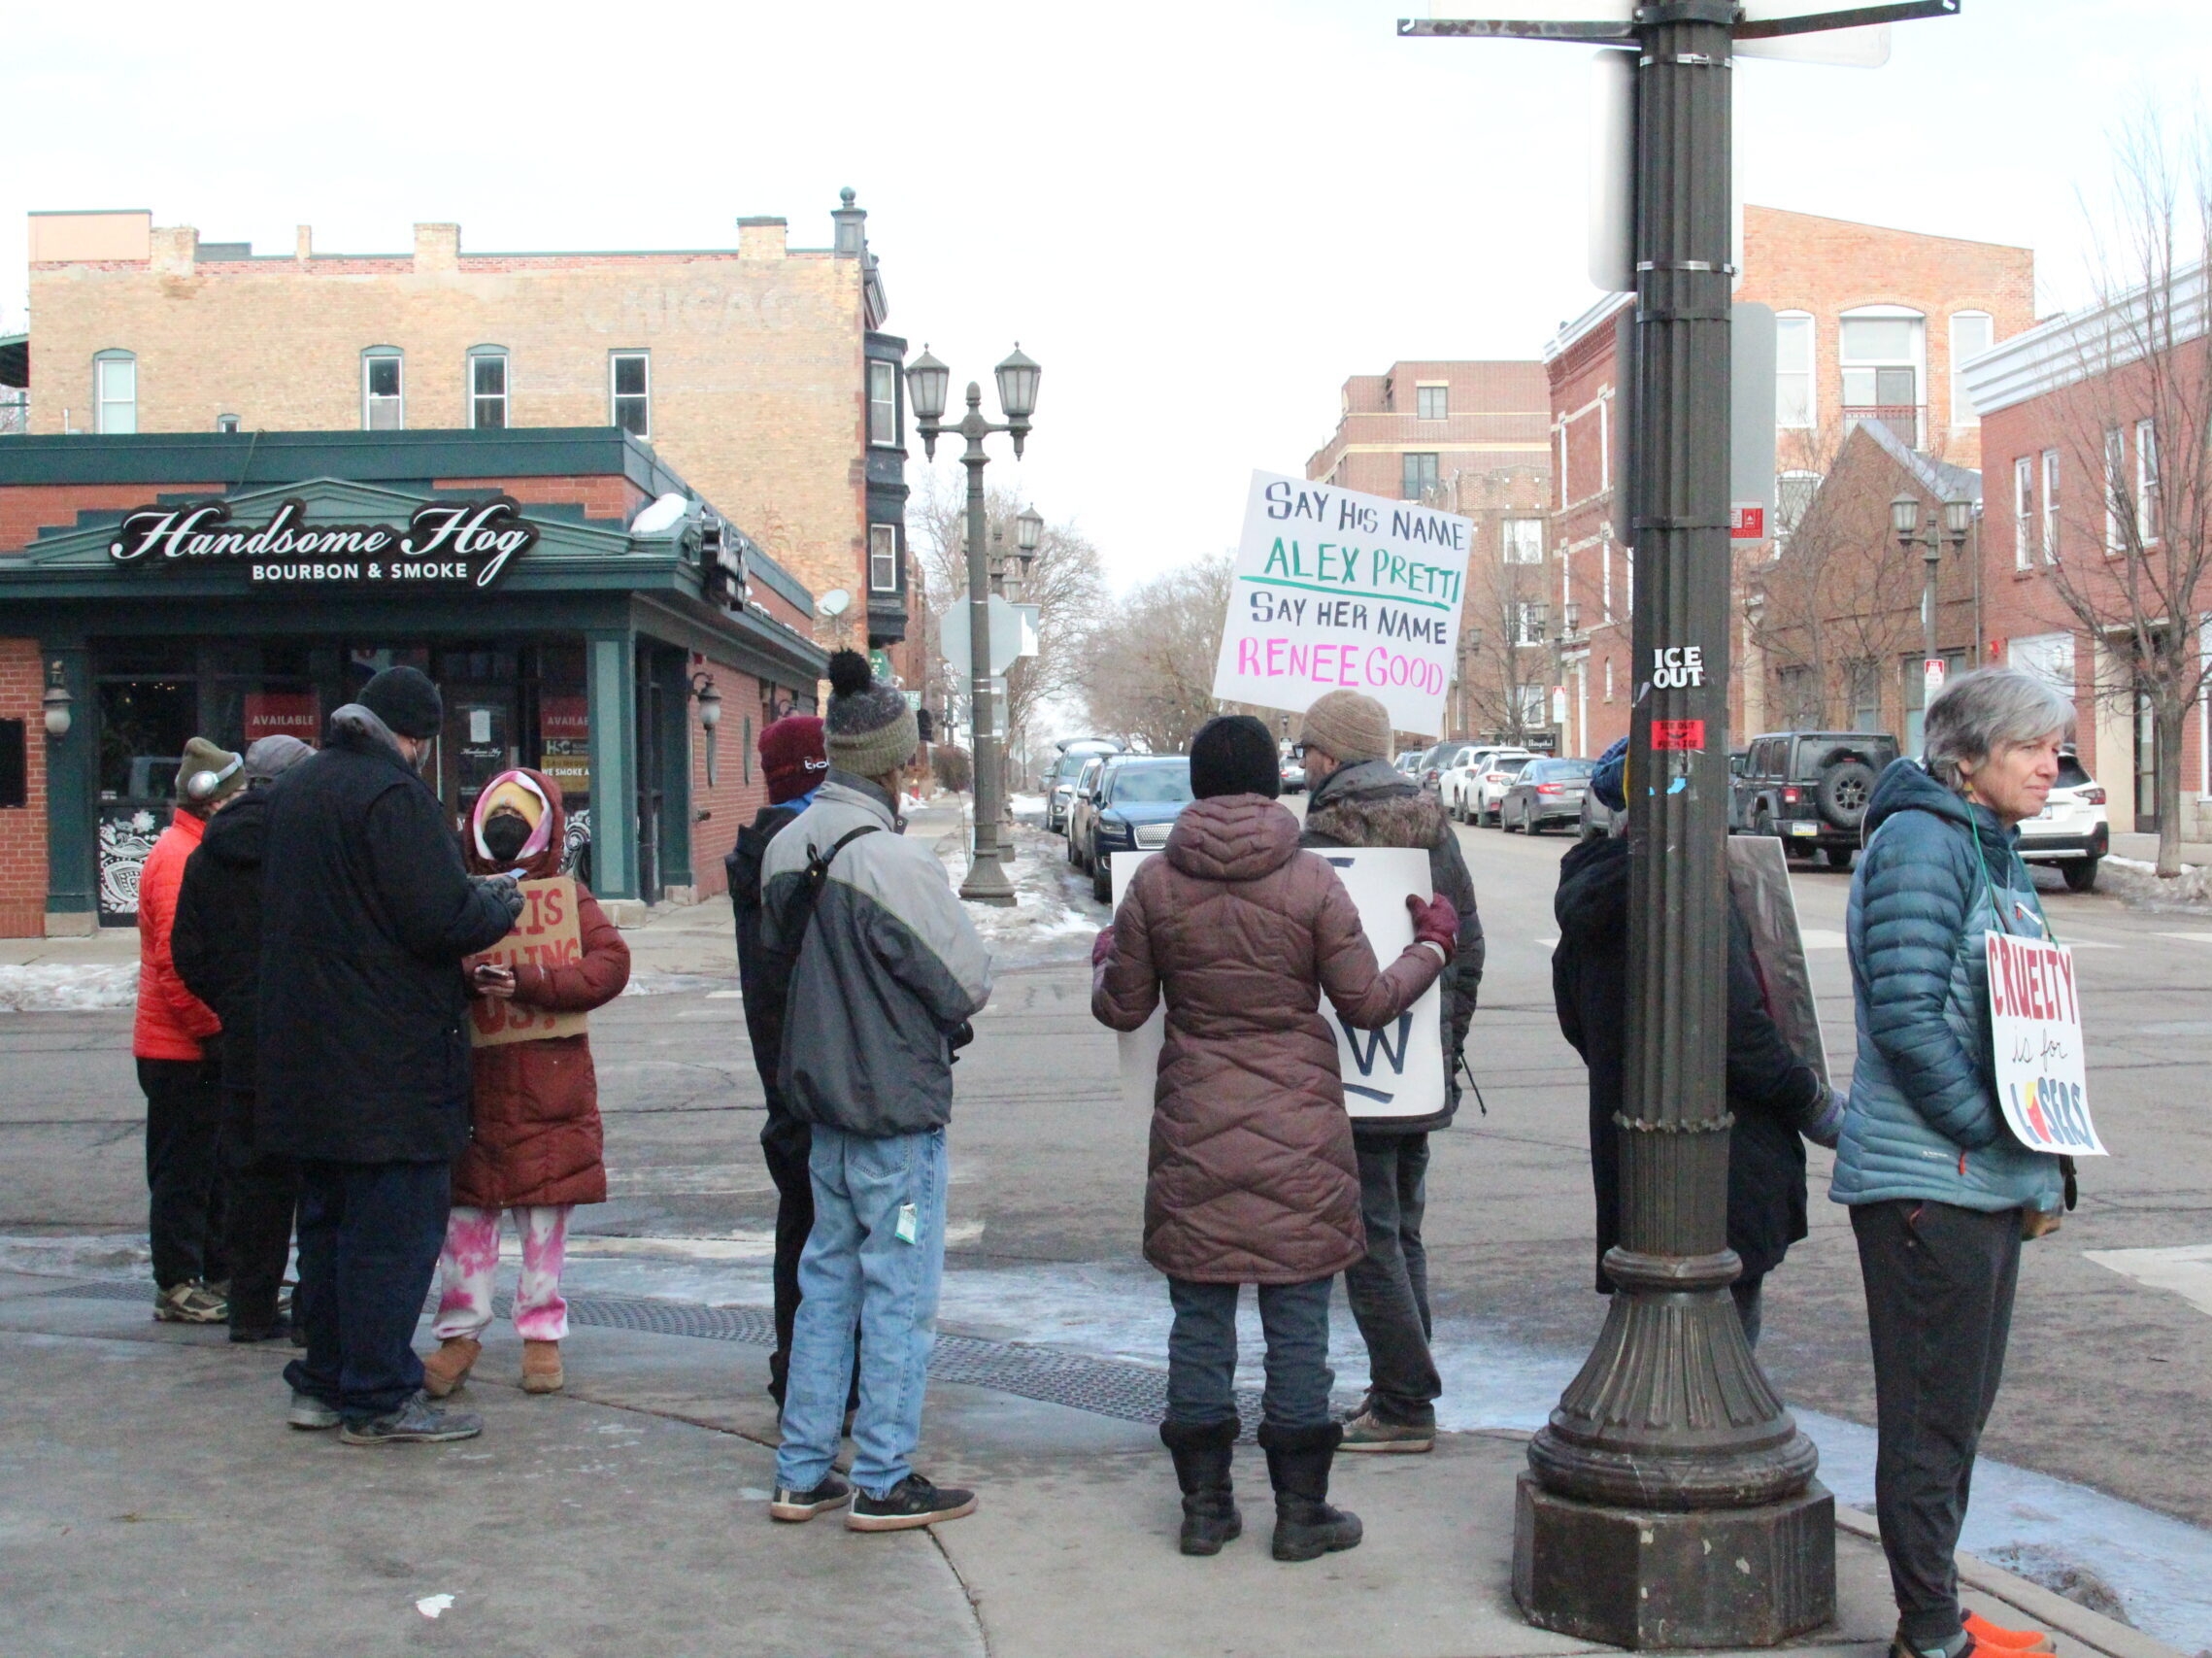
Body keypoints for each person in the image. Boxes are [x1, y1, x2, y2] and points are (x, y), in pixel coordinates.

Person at [1092, 713, 1458, 1563]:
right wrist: (1433, 946)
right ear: (1269, 782)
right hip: (1300, 1134)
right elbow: (1366, 1002)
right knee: (1298, 1325)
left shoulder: (1155, 884)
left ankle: (1205, 1509)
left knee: (1199, 1322)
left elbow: (1123, 1007)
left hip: (1193, 1132)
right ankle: (1301, 1512)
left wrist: (1112, 953)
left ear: (1197, 782)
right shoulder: (1311, 880)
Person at [1833, 669, 2072, 1658]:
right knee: (1931, 1419)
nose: (2051, 765)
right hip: (1931, 1183)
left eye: (2054, 746)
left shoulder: (1986, 844)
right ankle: (1930, 1631)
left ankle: (1939, 1613)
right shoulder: (1924, 845)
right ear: (1965, 759)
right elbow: (1906, 1016)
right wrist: (1990, 1126)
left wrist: (2039, 1156)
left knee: (1957, 1413)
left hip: (1978, 1176)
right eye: (2030, 747)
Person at [258, 667, 522, 1446]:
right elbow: (439, 916)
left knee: (327, 1231)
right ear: (414, 737)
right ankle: (377, 1396)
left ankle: (323, 1382)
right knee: (391, 1237)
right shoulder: (394, 798)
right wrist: (496, 904)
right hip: (388, 1066)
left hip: (307, 1059)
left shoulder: (299, 789)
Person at [761, 651, 992, 1533]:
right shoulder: (895, 862)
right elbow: (965, 981)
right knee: (899, 1296)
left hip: (821, 1108)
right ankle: (885, 1477)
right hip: (895, 1112)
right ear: (893, 762)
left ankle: (801, 1470)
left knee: (827, 1286)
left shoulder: (786, 847)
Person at [1551, 736, 1842, 1348]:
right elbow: (1738, 1028)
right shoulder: (1688, 888)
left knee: (1658, 1330)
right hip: (1726, 1155)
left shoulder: (1591, 891)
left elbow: (1575, 1021)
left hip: (1635, 1153)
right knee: (1720, 1340)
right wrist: (1811, 1100)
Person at [1295, 690, 1484, 1453]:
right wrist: (1444, 1042)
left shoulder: (1320, 837)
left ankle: (1405, 1401)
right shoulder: (1436, 828)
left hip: (1353, 1068)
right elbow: (1468, 946)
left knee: (1370, 1238)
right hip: (1418, 1065)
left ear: (1330, 754)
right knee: (1401, 1230)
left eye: (1306, 748)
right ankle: (1403, 1386)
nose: (1302, 761)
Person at [421, 768, 630, 1400]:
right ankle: (460, 1332)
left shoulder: (569, 898)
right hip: (473, 1085)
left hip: (548, 1087)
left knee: (544, 1215)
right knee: (465, 1218)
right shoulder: (454, 892)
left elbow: (610, 964)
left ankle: (542, 1333)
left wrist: (533, 981)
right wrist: (470, 980)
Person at [172, 733, 316, 1342]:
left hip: (244, 1042)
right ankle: (314, 1317)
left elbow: (187, 953)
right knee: (318, 1184)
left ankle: (251, 1309)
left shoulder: (206, 853)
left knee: (252, 1182)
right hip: (308, 1039)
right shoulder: (307, 848)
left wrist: (233, 1004)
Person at [724, 713, 835, 1410]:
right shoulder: (799, 859)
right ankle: (822, 1378)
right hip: (819, 1078)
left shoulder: (766, 852)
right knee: (831, 1233)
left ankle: (799, 1366)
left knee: (803, 1222)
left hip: (785, 1080)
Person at [135, 736, 246, 1324]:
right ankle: (177, 1283)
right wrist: (213, 1033)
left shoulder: (196, 849)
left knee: (212, 1167)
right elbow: (177, 963)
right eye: (236, 794)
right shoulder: (181, 857)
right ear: (211, 799)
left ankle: (215, 1272)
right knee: (183, 1171)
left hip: (190, 1044)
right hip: (179, 1050)